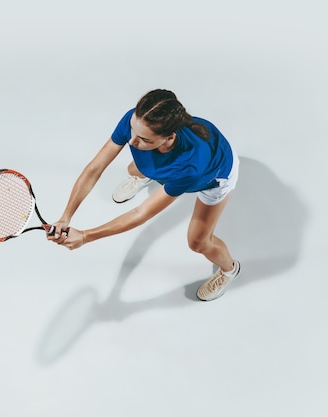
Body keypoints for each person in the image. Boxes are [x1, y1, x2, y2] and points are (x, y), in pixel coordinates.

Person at [47, 89, 241, 301]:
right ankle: (144, 175)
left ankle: (230, 270)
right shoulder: (137, 121)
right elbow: (95, 168)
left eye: (143, 139)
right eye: (132, 129)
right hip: (170, 163)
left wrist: (86, 236)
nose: (131, 141)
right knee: (133, 169)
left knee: (198, 242)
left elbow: (142, 212)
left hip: (214, 176)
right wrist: (66, 216)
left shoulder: (190, 166)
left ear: (169, 137)